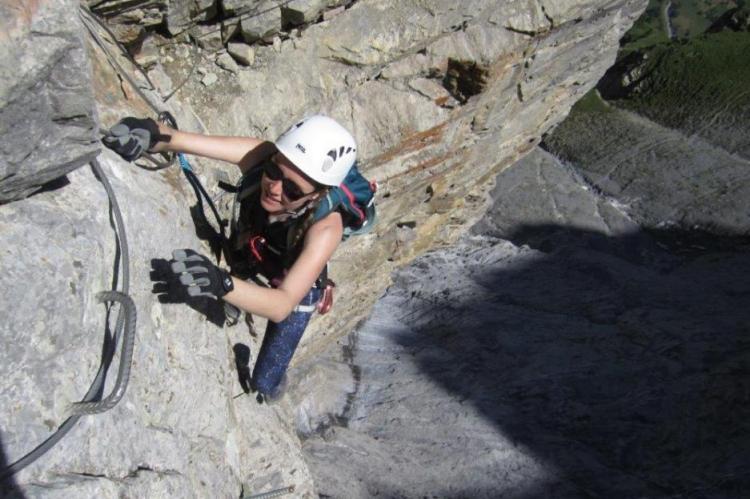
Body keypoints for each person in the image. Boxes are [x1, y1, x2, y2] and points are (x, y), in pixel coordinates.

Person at [103, 115, 359, 402]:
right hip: (259, 242)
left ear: (317, 195)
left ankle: (272, 386)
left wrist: (222, 283)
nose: (274, 187)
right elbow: (183, 139)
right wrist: (152, 134)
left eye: (293, 190)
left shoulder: (327, 229)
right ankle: (241, 297)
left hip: (293, 277)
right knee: (243, 255)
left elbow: (282, 305)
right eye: (274, 171)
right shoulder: (263, 156)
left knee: (263, 381)